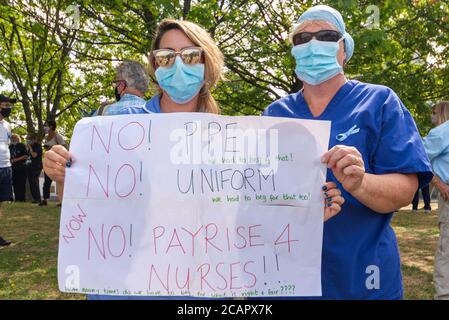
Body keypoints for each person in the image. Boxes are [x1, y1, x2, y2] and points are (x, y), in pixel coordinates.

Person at [44, 19, 345, 299]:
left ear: (207, 64)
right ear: (154, 66)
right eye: (165, 56)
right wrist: (62, 175)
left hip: (197, 290)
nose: (177, 65)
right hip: (124, 288)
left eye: (190, 55)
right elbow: (92, 207)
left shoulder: (235, 140)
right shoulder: (119, 129)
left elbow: (251, 216)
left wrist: (304, 212)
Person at [262, 5, 433, 299]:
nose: (313, 44)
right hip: (286, 278)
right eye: (301, 39)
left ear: (344, 49)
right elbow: (256, 195)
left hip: (363, 278)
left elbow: (406, 190)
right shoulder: (274, 113)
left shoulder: (379, 101)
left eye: (326, 35)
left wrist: (360, 183)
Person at [423, 101, 449, 300]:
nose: (431, 116)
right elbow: (418, 158)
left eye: (433, 112)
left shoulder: (442, 132)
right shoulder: (441, 133)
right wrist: (439, 183)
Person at [0, 94, 16, 246]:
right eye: (5, 105)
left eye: (9, 106)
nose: (8, 109)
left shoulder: (7, 125)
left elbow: (7, 144)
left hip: (5, 167)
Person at [40, 120, 67, 206]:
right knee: (46, 182)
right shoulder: (46, 137)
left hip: (57, 162)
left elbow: (64, 147)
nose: (44, 127)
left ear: (51, 126)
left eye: (46, 125)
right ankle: (45, 200)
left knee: (59, 182)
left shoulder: (57, 136)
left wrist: (52, 147)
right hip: (48, 162)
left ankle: (61, 201)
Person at [9, 134, 28, 201]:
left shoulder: (22, 145)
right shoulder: (10, 146)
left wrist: (16, 159)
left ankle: (22, 199)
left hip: (21, 167)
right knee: (14, 183)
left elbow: (26, 156)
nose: (13, 139)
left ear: (18, 139)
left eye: (14, 138)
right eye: (11, 138)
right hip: (13, 167)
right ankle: (16, 198)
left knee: (21, 183)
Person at [26, 133, 43, 204]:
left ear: (33, 139)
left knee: (34, 181)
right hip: (30, 166)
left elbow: (34, 155)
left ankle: (38, 199)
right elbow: (28, 156)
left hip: (36, 167)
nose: (28, 141)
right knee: (31, 182)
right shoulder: (30, 146)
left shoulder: (37, 146)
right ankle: (34, 198)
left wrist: (29, 147)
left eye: (29, 139)